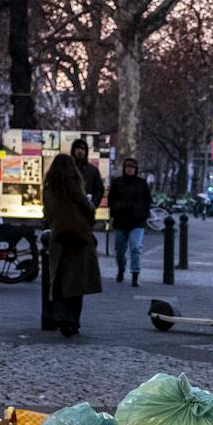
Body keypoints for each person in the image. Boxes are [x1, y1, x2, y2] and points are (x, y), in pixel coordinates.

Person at [41, 153, 102, 337]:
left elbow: (48, 212)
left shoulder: (50, 188)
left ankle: (60, 313)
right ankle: (73, 321)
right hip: (79, 238)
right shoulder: (76, 187)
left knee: (58, 280)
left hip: (59, 238)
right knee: (77, 281)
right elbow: (89, 211)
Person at [108, 156, 150, 286]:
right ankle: (121, 269)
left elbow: (148, 200)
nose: (130, 170)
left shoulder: (142, 183)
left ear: (135, 169)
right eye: (127, 167)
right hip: (121, 220)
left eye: (132, 167)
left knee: (135, 248)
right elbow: (111, 199)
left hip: (137, 221)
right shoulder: (117, 182)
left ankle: (135, 274)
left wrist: (143, 214)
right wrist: (115, 211)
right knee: (120, 249)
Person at [71, 139, 105, 218]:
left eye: (83, 149)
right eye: (77, 148)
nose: (80, 151)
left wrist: (93, 205)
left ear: (86, 151)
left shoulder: (92, 170)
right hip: (69, 210)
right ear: (73, 151)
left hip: (86, 211)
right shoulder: (67, 168)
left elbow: (99, 189)